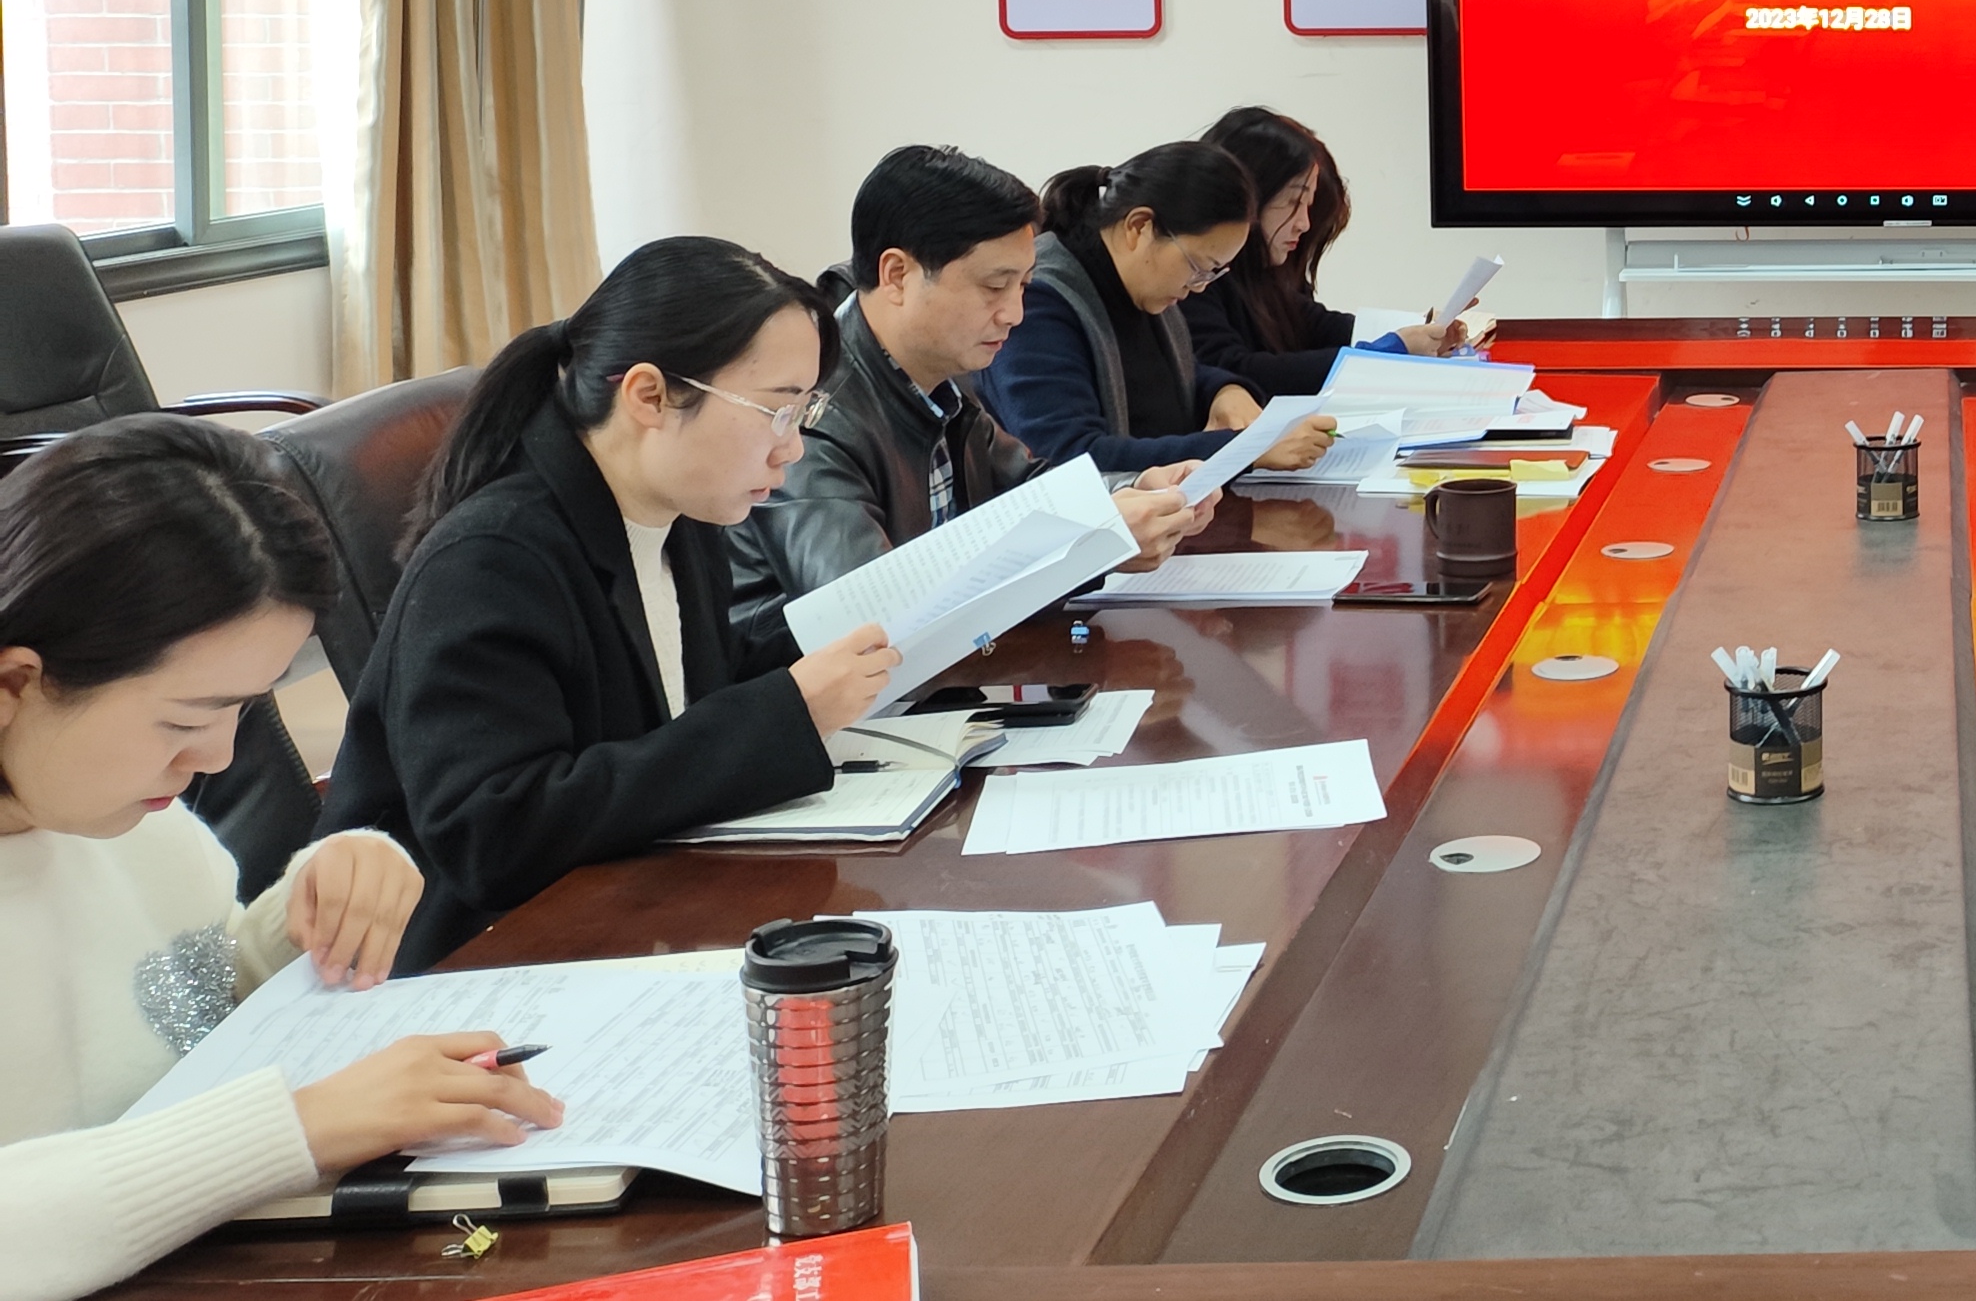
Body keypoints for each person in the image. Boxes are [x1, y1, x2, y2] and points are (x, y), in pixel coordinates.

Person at [0, 416, 570, 1301]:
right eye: (185, 719)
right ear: (15, 685)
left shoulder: (124, 820)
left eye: (243, 709)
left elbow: (187, 997)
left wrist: (313, 908)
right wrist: (296, 1128)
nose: (218, 758)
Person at [321, 239, 908, 973]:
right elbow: (495, 834)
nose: (791, 450)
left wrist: (834, 646)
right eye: (776, 411)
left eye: (804, 411)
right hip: (472, 962)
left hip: (625, 906)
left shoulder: (678, 511)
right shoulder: (491, 558)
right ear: (649, 396)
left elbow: (682, 685)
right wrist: (788, 712)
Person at [726, 146, 1214, 653]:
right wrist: (1094, 540)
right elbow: (869, 619)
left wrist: (1136, 489)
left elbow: (1027, 488)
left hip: (942, 671)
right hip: (837, 691)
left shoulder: (939, 376)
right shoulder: (815, 414)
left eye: (1023, 285)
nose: (1014, 313)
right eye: (994, 286)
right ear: (897, 275)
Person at [980, 143, 1343, 477]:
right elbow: (1067, 458)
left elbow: (1175, 374)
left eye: (1214, 273)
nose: (1200, 286)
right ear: (1139, 227)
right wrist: (1245, 448)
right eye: (1199, 267)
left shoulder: (1142, 283)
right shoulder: (1041, 302)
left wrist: (1224, 390)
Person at [1183, 107, 1459, 399]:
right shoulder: (1195, 277)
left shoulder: (1263, 272)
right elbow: (1236, 372)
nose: (1304, 224)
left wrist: (1417, 328)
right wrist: (1387, 350)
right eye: (1294, 202)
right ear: (1250, 195)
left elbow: (1316, 324)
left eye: (1308, 205)